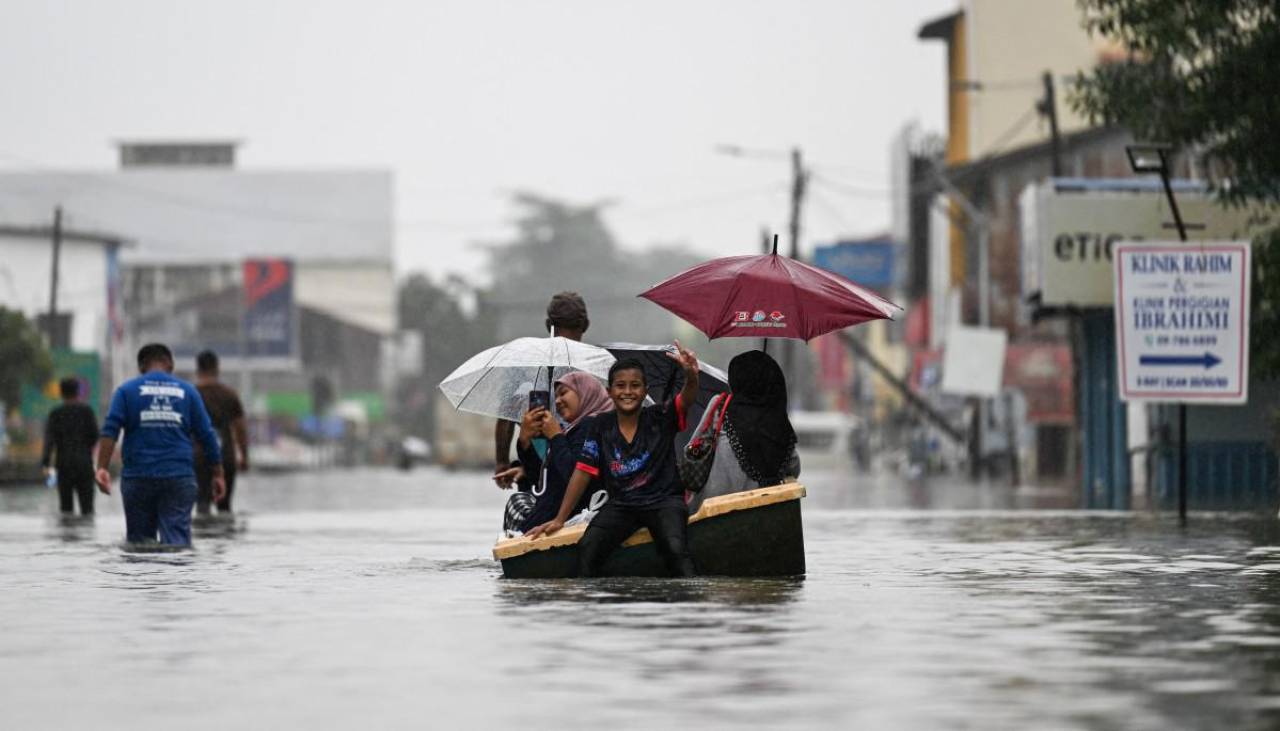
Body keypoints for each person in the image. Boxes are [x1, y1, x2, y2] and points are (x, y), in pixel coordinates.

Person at [525, 344, 700, 578]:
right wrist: (560, 519)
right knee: (588, 549)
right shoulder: (600, 425)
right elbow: (582, 472)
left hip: (664, 502)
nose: (627, 392)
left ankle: (688, 601)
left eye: (635, 386)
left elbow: (686, 400)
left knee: (675, 549)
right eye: (620, 386)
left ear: (644, 390)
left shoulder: (660, 416)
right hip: (623, 505)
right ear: (609, 392)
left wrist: (690, 375)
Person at [95, 343, 224, 547]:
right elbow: (207, 435)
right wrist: (218, 473)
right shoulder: (188, 392)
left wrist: (101, 467)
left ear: (142, 367)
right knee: (177, 545)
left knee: (139, 545)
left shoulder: (126, 391)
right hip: (178, 478)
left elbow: (110, 429)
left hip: (138, 478)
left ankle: (145, 579)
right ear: (170, 364)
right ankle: (173, 577)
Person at [493, 292, 590, 489]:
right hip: (575, 468)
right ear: (585, 325)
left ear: (548, 326)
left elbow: (506, 415)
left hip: (539, 465)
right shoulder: (593, 367)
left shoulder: (524, 364)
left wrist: (501, 461)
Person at [497, 372, 613, 533]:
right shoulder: (575, 428)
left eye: (564, 393)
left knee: (516, 502)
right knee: (522, 498)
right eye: (556, 396)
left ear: (585, 393)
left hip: (571, 514)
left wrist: (556, 436)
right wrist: (525, 441)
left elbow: (574, 475)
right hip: (558, 510)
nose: (557, 401)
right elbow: (543, 479)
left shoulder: (591, 425)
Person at [687, 350, 800, 514]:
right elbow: (794, 468)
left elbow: (692, 450)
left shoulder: (720, 405)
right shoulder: (777, 419)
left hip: (713, 509)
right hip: (762, 510)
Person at [193, 350, 249, 515]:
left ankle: (205, 539)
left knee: (202, 505)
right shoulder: (229, 395)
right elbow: (241, 429)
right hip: (226, 457)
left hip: (198, 457)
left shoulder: (191, 394)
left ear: (198, 369)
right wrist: (244, 456)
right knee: (224, 507)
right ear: (217, 368)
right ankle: (224, 540)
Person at [41, 377, 100, 516]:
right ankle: (88, 536)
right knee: (88, 509)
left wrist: (45, 462)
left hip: (63, 464)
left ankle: (67, 535)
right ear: (78, 392)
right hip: (84, 464)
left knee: (66, 509)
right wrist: (85, 449)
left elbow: (49, 440)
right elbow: (95, 435)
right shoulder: (87, 411)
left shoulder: (56, 413)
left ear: (61, 392)